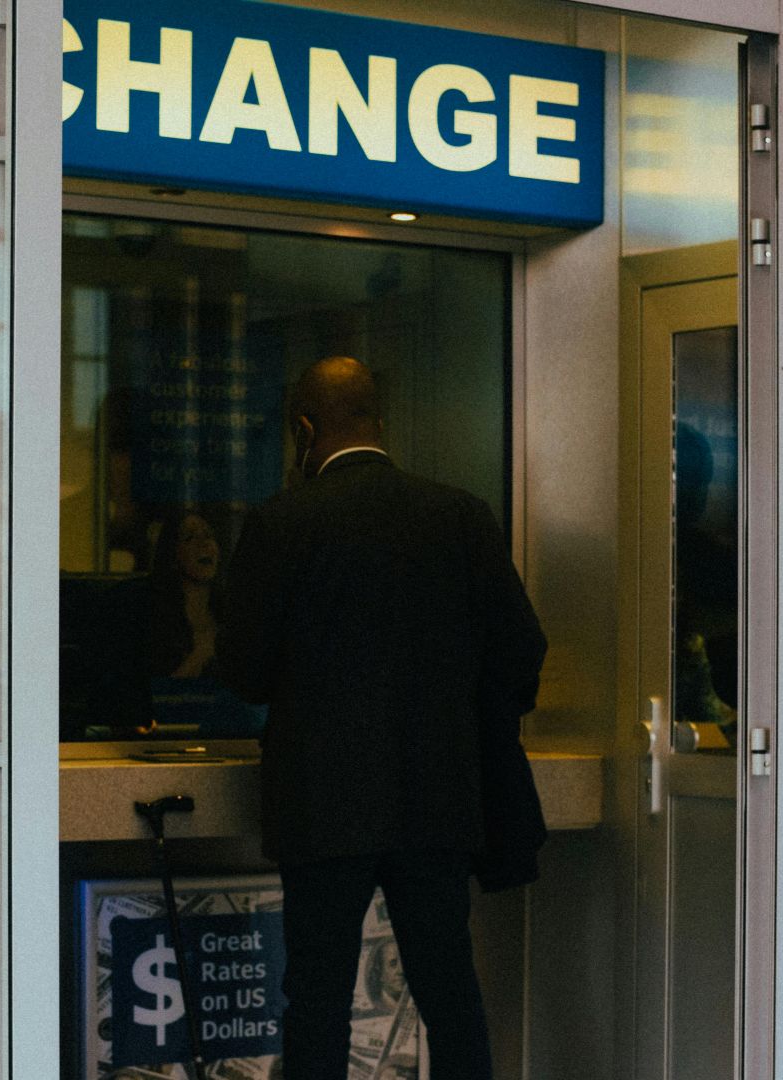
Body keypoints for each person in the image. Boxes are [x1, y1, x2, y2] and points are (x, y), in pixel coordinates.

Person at [221, 357, 547, 1080]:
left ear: (304, 429)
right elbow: (521, 650)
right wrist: (461, 722)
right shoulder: (459, 515)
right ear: (378, 422)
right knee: (450, 993)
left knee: (317, 999)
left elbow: (242, 669)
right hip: (436, 798)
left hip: (322, 805)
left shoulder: (282, 523)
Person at [148, 510, 223, 679]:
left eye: (208, 536)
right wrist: (200, 656)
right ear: (173, 554)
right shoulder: (153, 616)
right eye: (190, 538)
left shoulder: (231, 612)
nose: (203, 544)